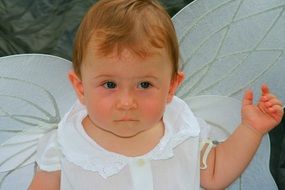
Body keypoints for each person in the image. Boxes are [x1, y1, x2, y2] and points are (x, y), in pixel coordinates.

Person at [28, 0, 284, 189]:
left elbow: (216, 174)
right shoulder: (63, 146)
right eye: (109, 85)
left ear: (171, 86)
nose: (127, 102)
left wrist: (251, 129)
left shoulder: (181, 129)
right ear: (80, 87)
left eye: (144, 85)